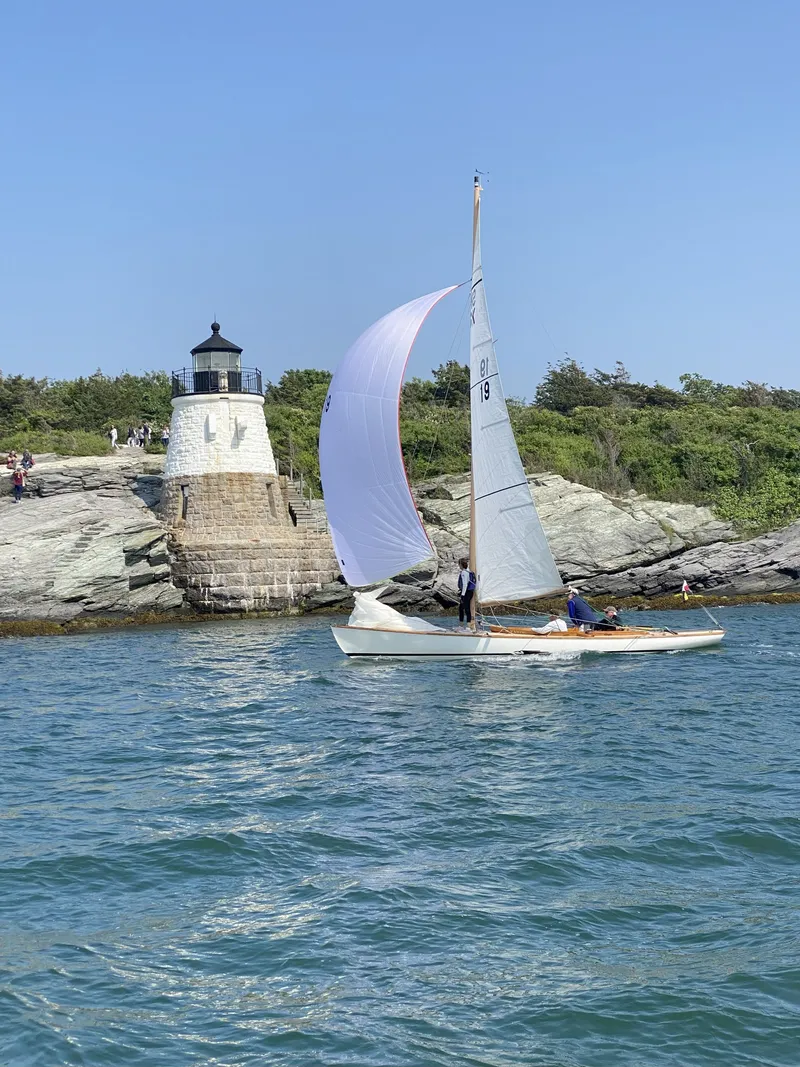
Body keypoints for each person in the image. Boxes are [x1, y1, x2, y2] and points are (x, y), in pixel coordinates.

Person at [457, 556, 476, 627]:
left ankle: (466, 626)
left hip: (466, 592)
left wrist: (462, 595)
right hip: (470, 592)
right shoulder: (469, 571)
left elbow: (465, 584)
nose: (459, 566)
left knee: (465, 608)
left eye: (459, 564)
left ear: (461, 565)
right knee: (464, 608)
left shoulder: (464, 573)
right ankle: (466, 625)